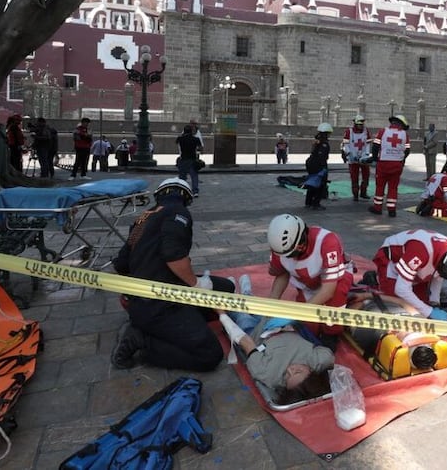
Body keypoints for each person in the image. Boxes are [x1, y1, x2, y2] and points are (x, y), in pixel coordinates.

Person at [111, 178, 235, 370]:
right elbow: (173, 255)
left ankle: (176, 322)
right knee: (210, 355)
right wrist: (196, 285)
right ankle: (142, 340)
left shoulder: (143, 218)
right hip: (161, 303)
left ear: (159, 195)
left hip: (149, 295)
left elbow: (121, 264)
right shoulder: (178, 212)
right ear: (186, 198)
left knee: (226, 288)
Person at [218, 311, 334, 405]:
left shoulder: (268, 374)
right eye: (298, 371)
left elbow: (246, 342)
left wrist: (222, 315)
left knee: (242, 315)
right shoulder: (318, 360)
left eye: (287, 376)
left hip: (255, 331)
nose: (290, 369)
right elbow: (328, 356)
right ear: (312, 371)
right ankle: (246, 291)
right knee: (256, 304)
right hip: (279, 321)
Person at [265, 213, 354, 336]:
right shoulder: (281, 249)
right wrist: (269, 308)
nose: (288, 258)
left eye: (290, 254)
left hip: (335, 281)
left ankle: (332, 335)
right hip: (307, 284)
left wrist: (296, 314)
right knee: (308, 329)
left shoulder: (327, 242)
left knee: (332, 322)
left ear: (301, 245)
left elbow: (328, 291)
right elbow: (282, 274)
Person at [371, 229, 447, 320]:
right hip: (392, 262)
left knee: (422, 305)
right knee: (397, 309)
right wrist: (429, 311)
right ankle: (376, 280)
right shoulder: (420, 251)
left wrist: (434, 303)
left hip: (419, 266)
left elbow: (439, 276)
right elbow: (401, 289)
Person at [369, 114, 411, 217]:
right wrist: (401, 159)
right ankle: (392, 210)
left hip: (383, 163)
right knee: (393, 187)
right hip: (397, 164)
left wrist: (374, 158)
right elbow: (407, 150)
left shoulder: (383, 131)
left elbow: (375, 146)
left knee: (380, 186)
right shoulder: (405, 134)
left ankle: (377, 208)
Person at [341, 115, 371, 201]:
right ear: (355, 124)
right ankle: (355, 195)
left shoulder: (366, 131)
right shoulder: (349, 132)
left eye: (362, 124)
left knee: (366, 176)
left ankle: (363, 193)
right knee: (354, 177)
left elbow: (368, 144)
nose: (360, 126)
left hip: (364, 158)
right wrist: (349, 154)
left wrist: (366, 154)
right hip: (352, 158)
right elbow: (346, 144)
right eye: (359, 124)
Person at [304, 124, 332, 210]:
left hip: (310, 163)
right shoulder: (324, 144)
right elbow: (322, 157)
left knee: (312, 182)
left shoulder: (317, 141)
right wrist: (323, 169)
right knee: (320, 184)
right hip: (318, 165)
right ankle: (316, 203)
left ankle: (308, 202)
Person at [175, 125, 202, 197]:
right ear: (191, 131)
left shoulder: (180, 138)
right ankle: (195, 191)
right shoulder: (196, 139)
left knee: (182, 177)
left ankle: (182, 190)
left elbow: (177, 143)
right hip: (192, 159)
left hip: (183, 159)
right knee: (194, 176)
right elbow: (200, 148)